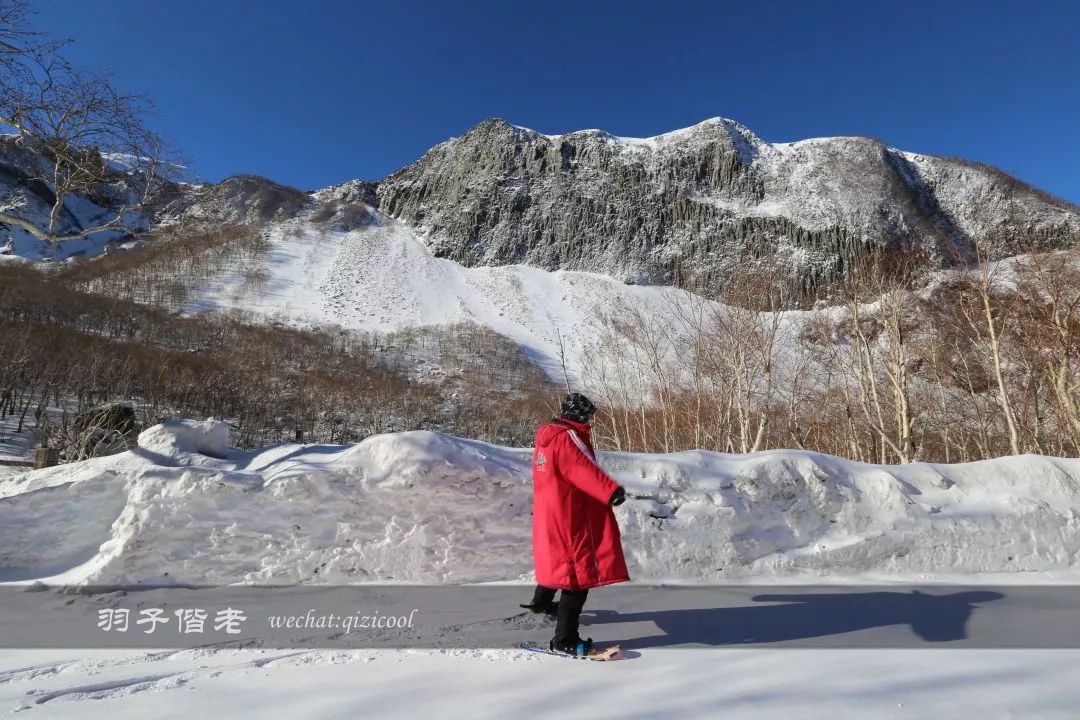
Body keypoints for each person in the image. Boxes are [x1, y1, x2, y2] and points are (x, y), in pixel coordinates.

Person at [520, 392, 629, 656]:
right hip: (570, 515)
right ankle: (565, 638)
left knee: (559, 562)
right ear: (580, 415)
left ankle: (541, 603)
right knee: (576, 579)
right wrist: (610, 490)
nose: (590, 420)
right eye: (589, 415)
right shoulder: (567, 437)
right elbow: (581, 468)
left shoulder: (547, 438)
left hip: (552, 511)